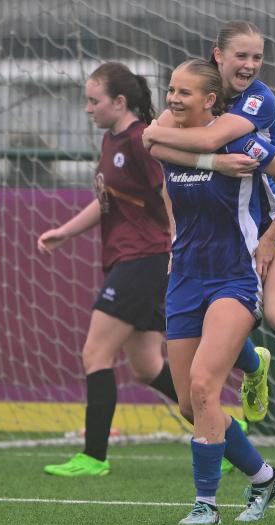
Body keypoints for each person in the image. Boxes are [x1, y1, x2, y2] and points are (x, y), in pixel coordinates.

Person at [143, 20, 275, 428]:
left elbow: (202, 139)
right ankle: (255, 367)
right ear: (218, 54)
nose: (250, 65)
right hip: (217, 228)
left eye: (257, 57)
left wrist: (271, 238)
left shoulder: (259, 99)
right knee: (211, 314)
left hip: (264, 222)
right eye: (241, 55)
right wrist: (209, 166)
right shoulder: (194, 89)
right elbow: (152, 143)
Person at [152, 59, 275, 525]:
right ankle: (265, 478)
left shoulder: (243, 143)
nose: (173, 99)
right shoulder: (170, 140)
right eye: (170, 90)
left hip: (234, 278)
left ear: (210, 101)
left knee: (205, 384)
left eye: (184, 93)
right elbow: (161, 171)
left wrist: (272, 239)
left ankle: (206, 503)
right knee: (191, 405)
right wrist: (176, 231)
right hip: (185, 278)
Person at [37, 62, 179, 477]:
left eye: (93, 101)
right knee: (147, 366)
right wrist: (65, 232)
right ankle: (224, 429)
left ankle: (93, 457)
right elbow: (106, 202)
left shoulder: (141, 140)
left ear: (119, 102)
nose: (88, 108)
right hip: (131, 258)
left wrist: (177, 241)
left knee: (95, 353)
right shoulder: (110, 140)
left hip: (144, 259)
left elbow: (168, 190)